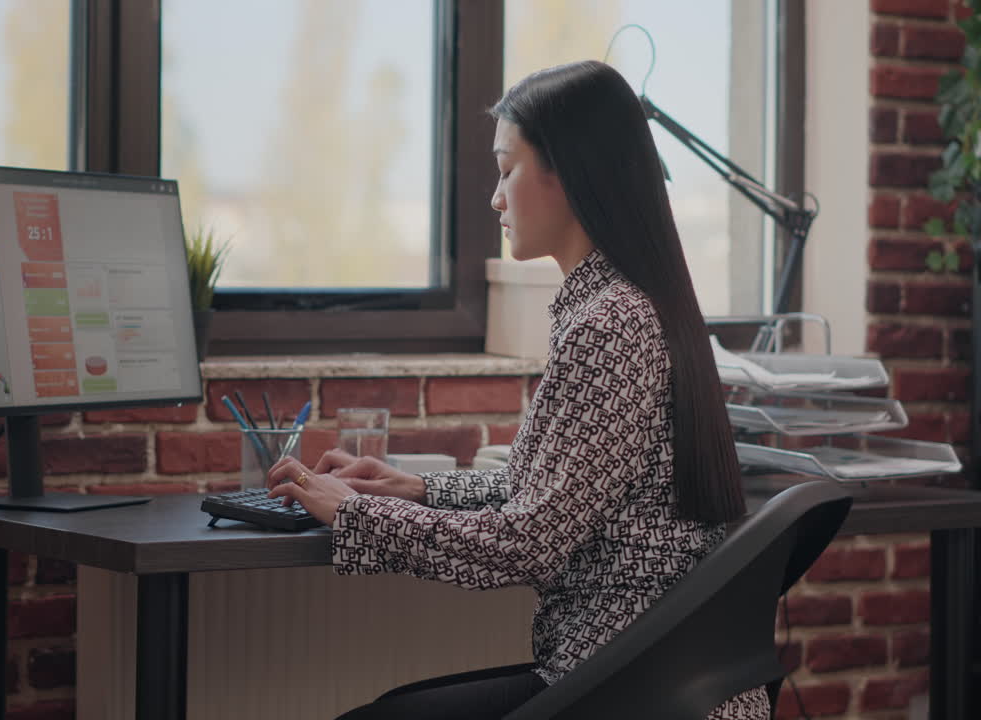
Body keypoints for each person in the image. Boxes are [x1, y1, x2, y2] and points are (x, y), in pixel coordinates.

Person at [266, 59, 768, 720]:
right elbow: (557, 494)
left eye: (507, 169)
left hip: (628, 686)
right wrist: (417, 489)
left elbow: (525, 542)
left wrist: (355, 514)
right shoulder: (629, 305)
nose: (495, 198)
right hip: (642, 675)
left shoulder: (611, 326)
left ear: (571, 174)